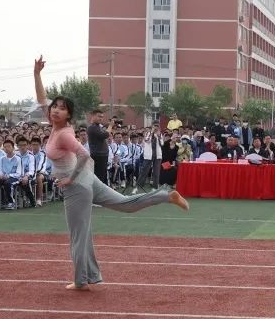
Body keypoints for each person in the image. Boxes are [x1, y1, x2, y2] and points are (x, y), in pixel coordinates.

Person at [34, 57, 189, 290]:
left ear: (69, 115)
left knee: (79, 234)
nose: (55, 110)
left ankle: (81, 281)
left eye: (62, 108)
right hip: (88, 180)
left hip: (77, 187)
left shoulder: (64, 134)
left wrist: (69, 179)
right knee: (124, 204)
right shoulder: (56, 125)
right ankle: (165, 196)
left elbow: (84, 154)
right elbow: (41, 99)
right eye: (54, 106)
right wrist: (37, 74)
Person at [86, 109, 110, 184]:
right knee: (99, 177)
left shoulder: (98, 127)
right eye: (99, 116)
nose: (101, 118)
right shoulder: (92, 127)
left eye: (102, 117)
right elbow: (105, 135)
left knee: (103, 176)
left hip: (102, 155)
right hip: (98, 156)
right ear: (93, 116)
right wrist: (111, 126)